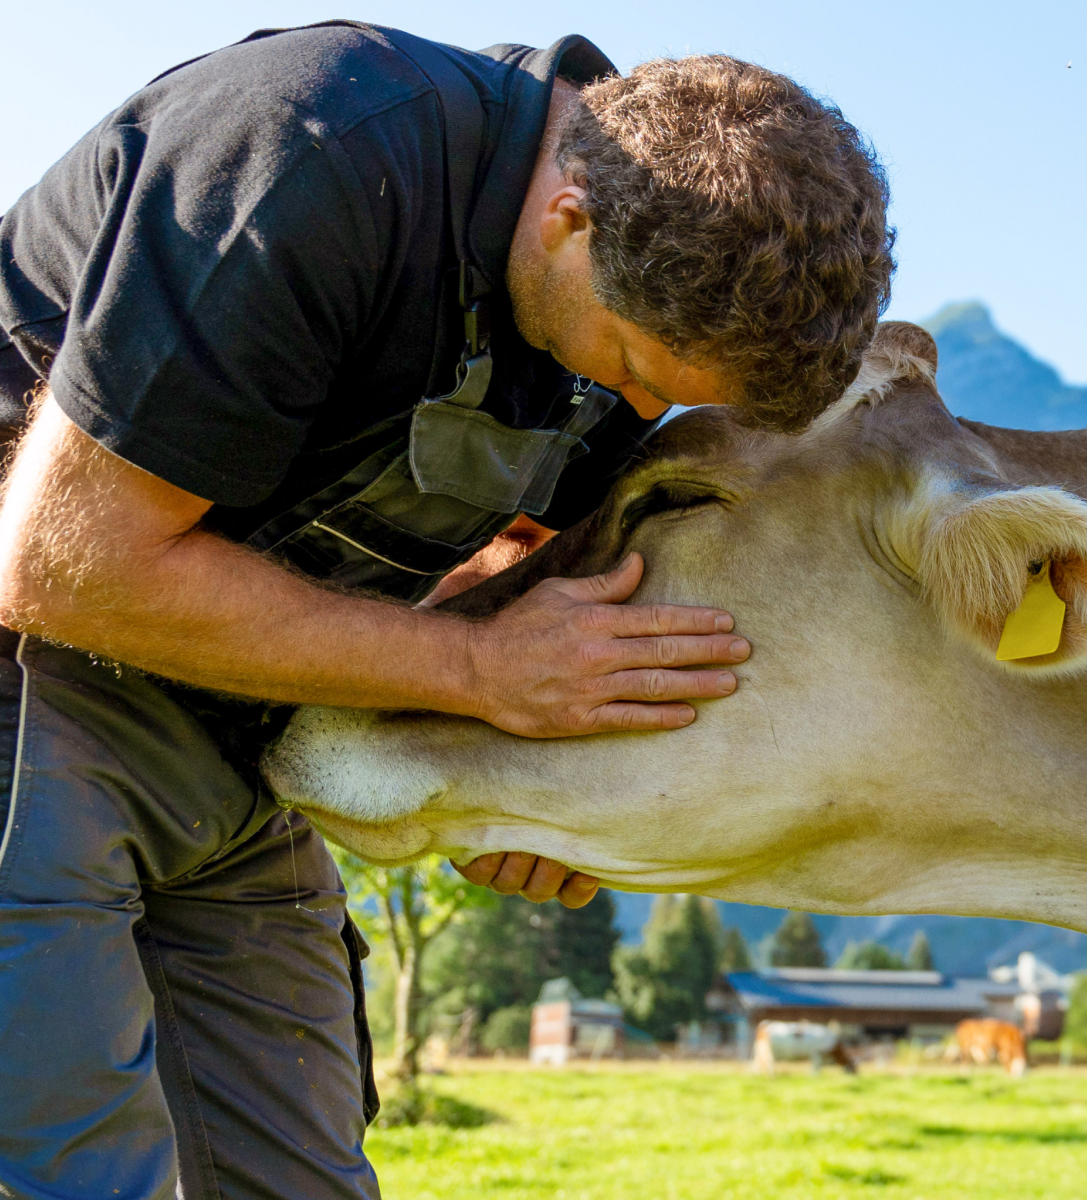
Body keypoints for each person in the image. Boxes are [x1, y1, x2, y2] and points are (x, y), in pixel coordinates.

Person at [0, 22, 893, 1200]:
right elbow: (61, 562)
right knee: (72, 1173)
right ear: (570, 218)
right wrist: (477, 678)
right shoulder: (311, 151)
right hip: (36, 668)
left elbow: (505, 566)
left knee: (300, 1178)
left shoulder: (633, 280)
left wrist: (514, 771)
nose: (629, 408)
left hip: (250, 722)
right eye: (636, 368)